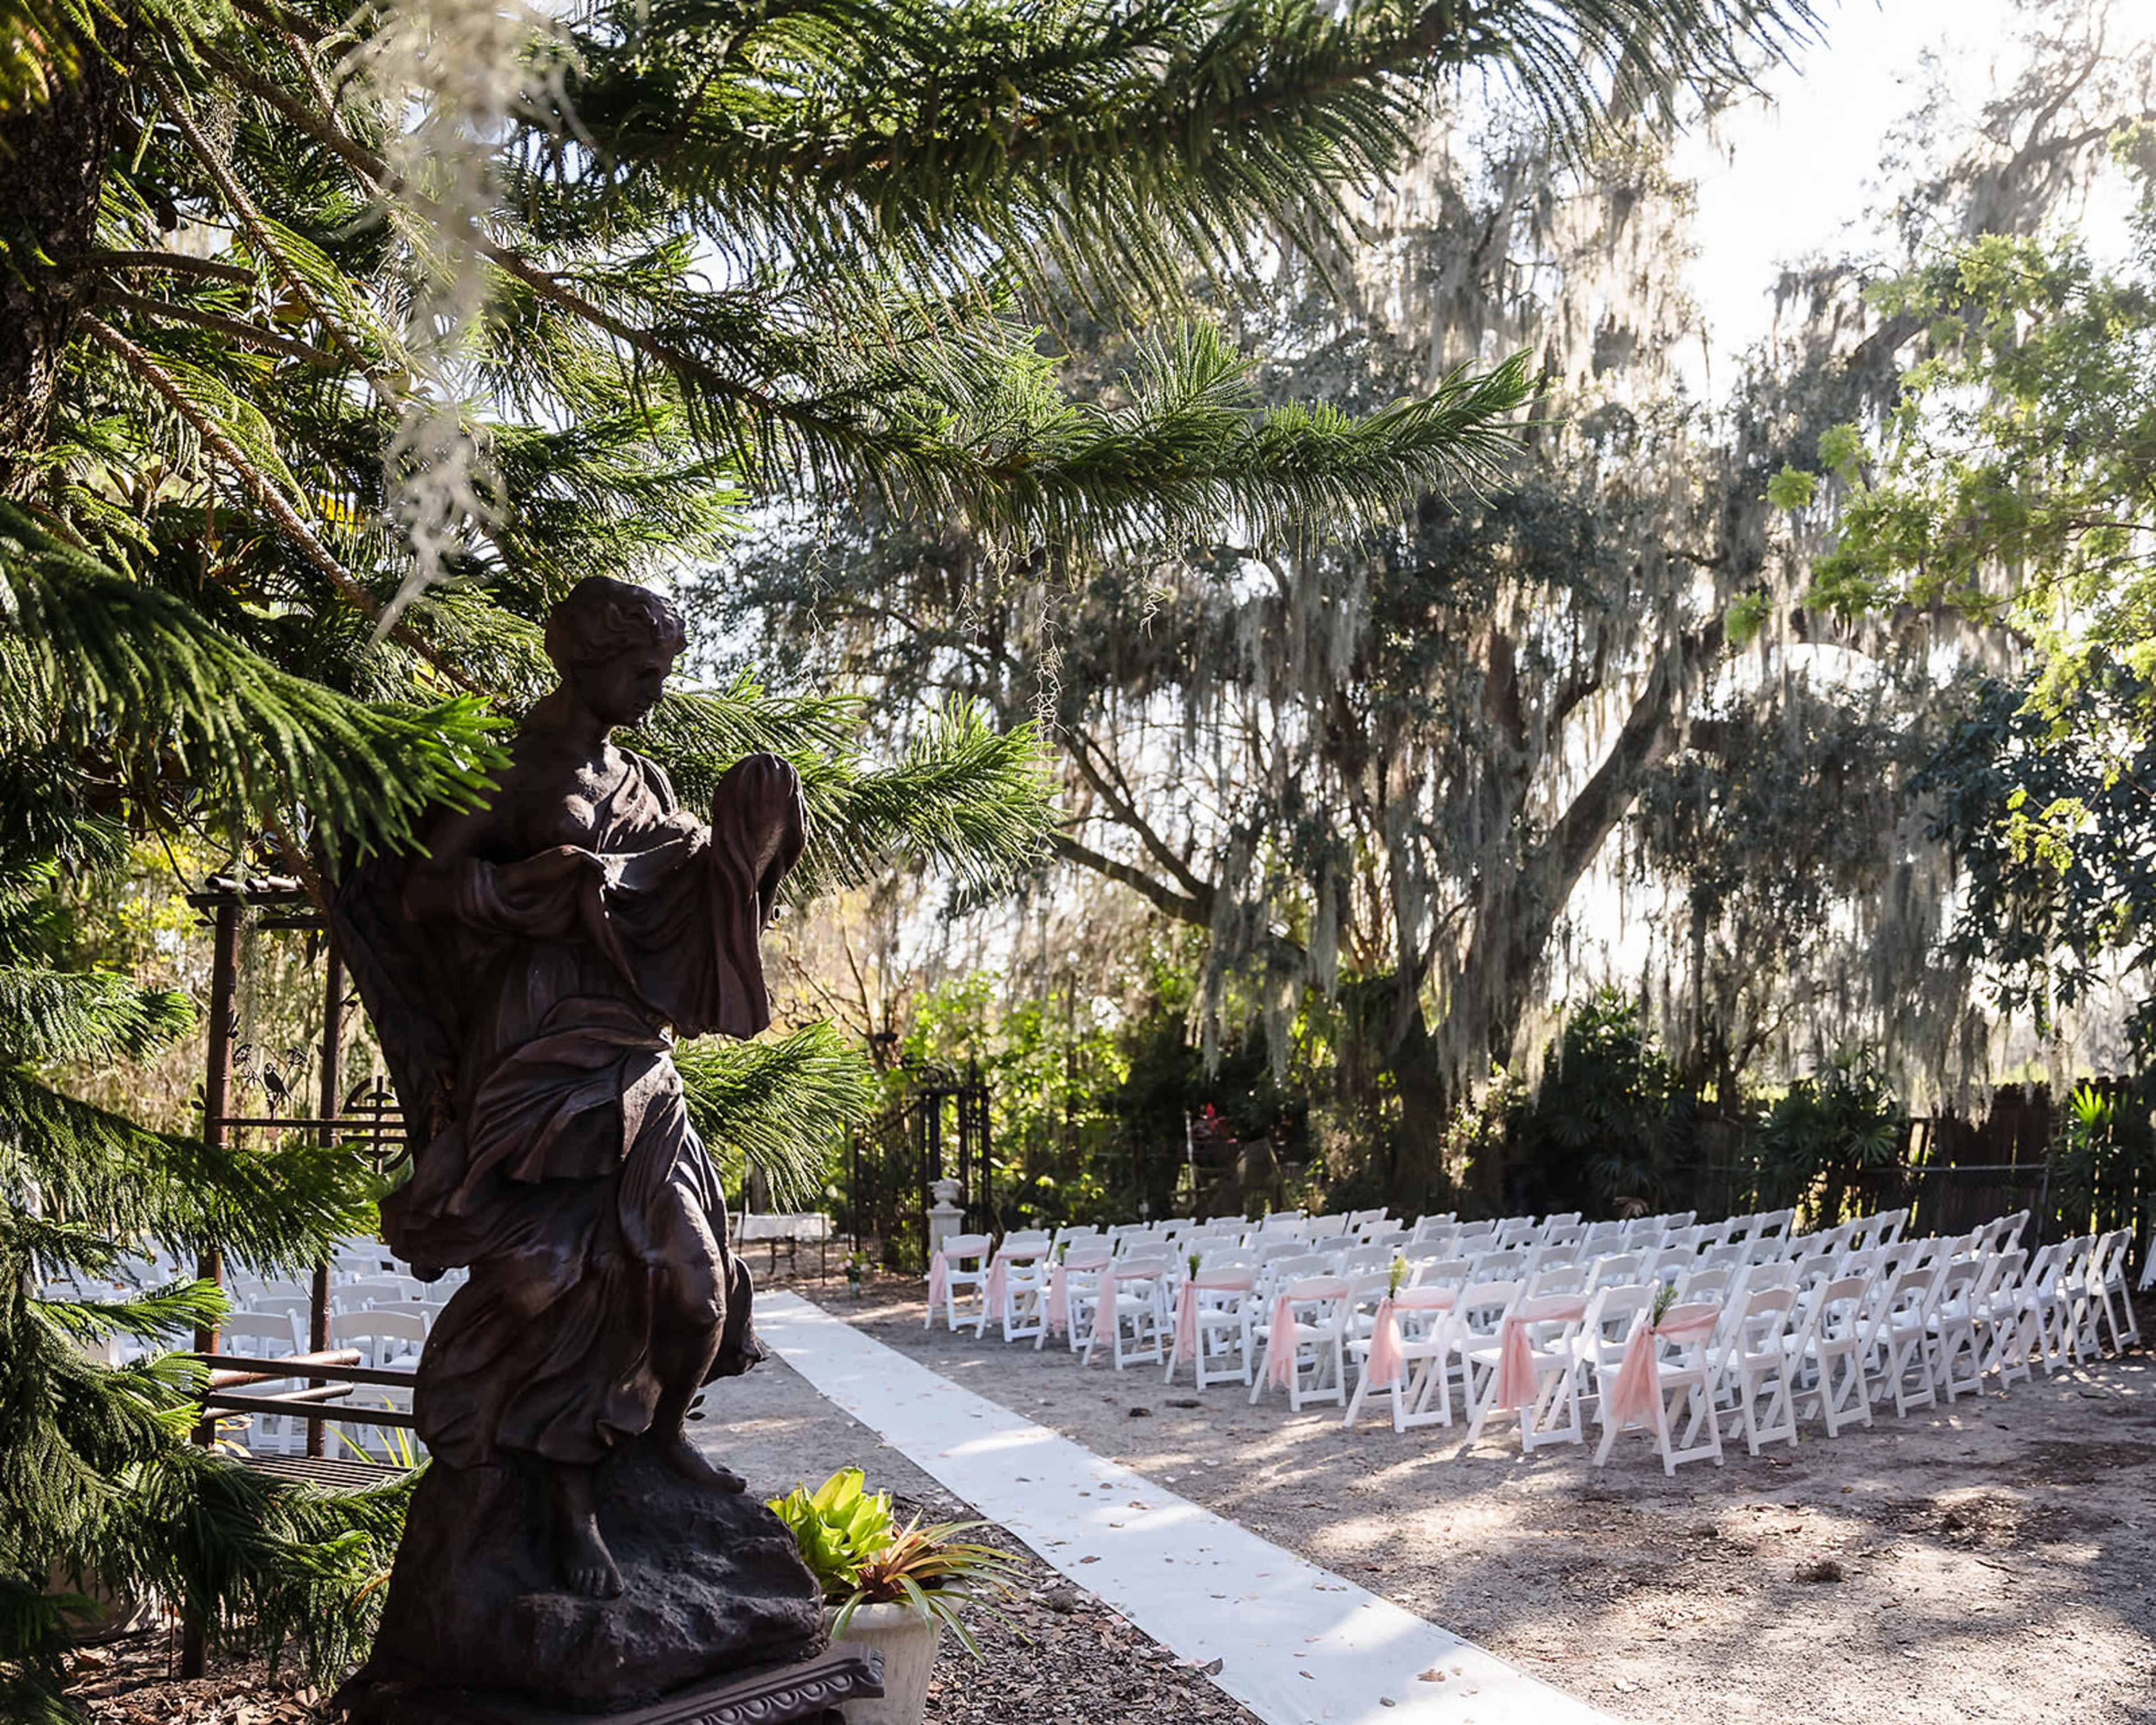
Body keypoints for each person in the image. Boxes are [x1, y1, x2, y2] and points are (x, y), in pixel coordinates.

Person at [334, 575, 805, 1599]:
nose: (656, 688)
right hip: (538, 1042)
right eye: (643, 668)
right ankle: (568, 1508)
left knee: (694, 1283)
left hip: (636, 1052)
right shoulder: (502, 763)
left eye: (666, 670)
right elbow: (416, 889)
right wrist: (515, 892)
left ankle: (666, 1435)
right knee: (566, 1288)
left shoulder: (647, 779)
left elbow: (689, 915)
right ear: (584, 660)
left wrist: (747, 855)